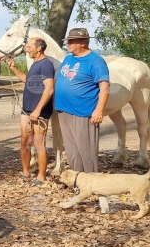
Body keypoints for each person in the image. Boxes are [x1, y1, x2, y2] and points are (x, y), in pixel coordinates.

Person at [55, 28, 109, 174]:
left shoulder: (96, 61)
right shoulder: (68, 58)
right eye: (68, 41)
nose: (68, 44)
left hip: (83, 112)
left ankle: (91, 180)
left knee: (86, 151)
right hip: (63, 110)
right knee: (72, 150)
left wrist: (99, 110)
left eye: (71, 41)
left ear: (83, 43)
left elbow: (104, 87)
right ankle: (77, 179)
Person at [7, 37, 55, 185]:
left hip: (40, 112)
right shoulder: (35, 63)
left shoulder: (46, 65)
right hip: (27, 110)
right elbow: (27, 79)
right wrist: (14, 68)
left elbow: (49, 89)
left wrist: (37, 110)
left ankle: (41, 176)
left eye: (29, 47)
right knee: (24, 142)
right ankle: (26, 172)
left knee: (39, 144)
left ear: (38, 48)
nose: (26, 49)